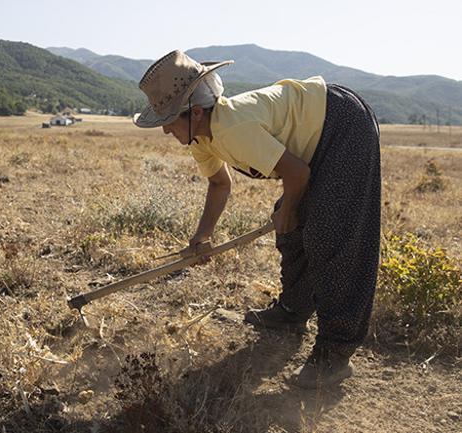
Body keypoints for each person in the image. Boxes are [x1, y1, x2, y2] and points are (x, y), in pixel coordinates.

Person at [133, 50, 381, 388]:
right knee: (292, 230)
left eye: (167, 120)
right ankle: (293, 312)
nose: (164, 130)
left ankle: (334, 354)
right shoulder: (200, 135)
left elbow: (297, 172)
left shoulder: (232, 126)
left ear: (193, 112)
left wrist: (290, 209)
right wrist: (202, 237)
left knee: (330, 235)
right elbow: (220, 183)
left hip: (342, 124)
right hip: (312, 148)